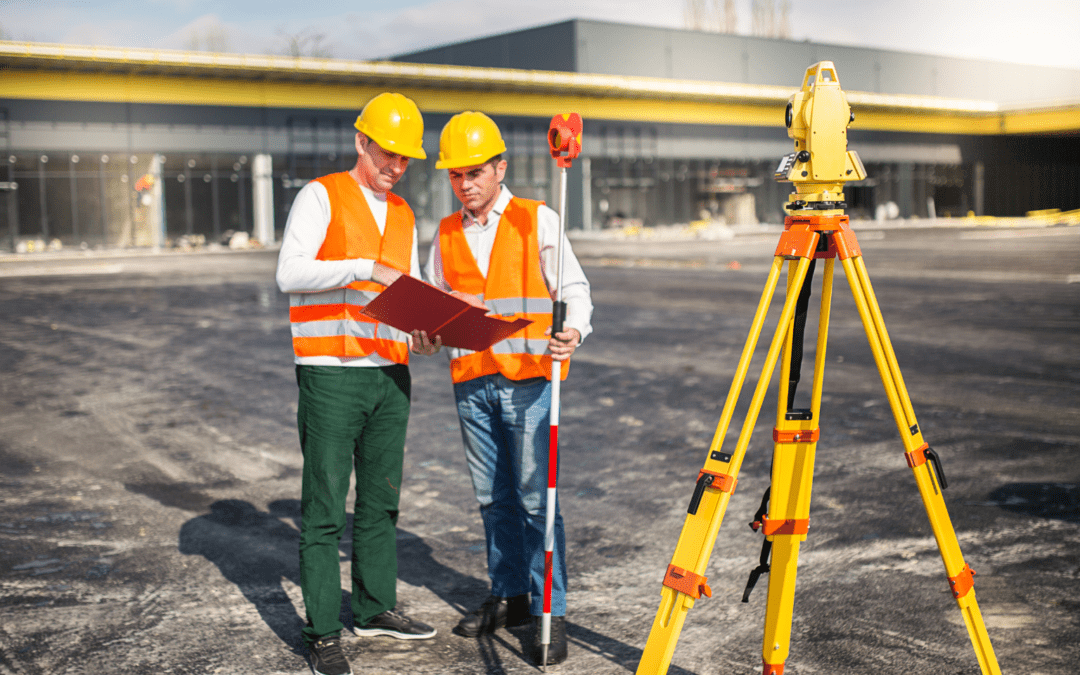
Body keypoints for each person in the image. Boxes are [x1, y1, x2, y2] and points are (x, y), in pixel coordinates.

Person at [276, 92, 441, 675]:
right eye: (387, 155)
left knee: (380, 503)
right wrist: (361, 267)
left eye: (405, 160)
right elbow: (288, 272)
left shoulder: (403, 216)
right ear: (360, 142)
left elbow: (411, 289)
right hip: (331, 375)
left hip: (390, 375)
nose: (396, 168)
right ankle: (322, 630)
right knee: (323, 510)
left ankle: (374, 608)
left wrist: (425, 332)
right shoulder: (320, 195)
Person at [421, 111, 593, 666]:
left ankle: (550, 610)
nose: (464, 184)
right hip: (471, 382)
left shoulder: (536, 220)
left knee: (535, 500)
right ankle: (510, 595)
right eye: (455, 175)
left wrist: (573, 330)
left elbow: (574, 288)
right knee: (494, 499)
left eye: (474, 172)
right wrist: (425, 334)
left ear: (500, 168)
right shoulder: (445, 235)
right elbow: (433, 306)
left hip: (528, 383)